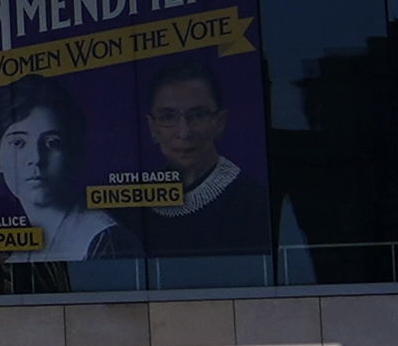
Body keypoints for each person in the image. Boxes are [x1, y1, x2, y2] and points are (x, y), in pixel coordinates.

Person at [115, 58, 299, 281]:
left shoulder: (255, 202)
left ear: (220, 121)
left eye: (198, 115)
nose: (183, 132)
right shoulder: (127, 205)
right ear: (152, 127)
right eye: (168, 117)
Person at [0, 80, 123, 279]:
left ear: (71, 153)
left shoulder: (102, 239)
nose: (36, 159)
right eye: (18, 143)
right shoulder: (17, 252)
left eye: (52, 143)